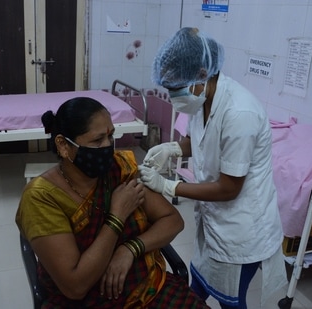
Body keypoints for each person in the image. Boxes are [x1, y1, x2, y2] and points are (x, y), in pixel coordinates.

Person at [138, 27, 288, 309]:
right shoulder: (203, 98)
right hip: (214, 220)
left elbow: (229, 188)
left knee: (231, 300)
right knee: (199, 282)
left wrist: (168, 186)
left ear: (203, 73)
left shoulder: (239, 113)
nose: (174, 96)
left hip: (241, 229)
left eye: (176, 88)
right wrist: (170, 149)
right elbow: (197, 140)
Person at [15, 97, 208, 308]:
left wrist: (130, 249)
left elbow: (172, 220)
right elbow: (75, 286)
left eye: (110, 136)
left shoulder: (119, 168)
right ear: (63, 145)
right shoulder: (42, 198)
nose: (108, 146)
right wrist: (116, 217)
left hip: (148, 289)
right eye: (97, 141)